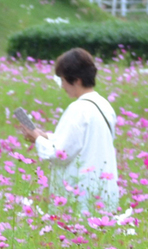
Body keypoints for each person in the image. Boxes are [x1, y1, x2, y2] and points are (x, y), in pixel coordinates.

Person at [18, 48, 119, 215]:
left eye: (64, 80)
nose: (63, 86)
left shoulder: (79, 109)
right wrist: (46, 136)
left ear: (77, 80)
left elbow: (60, 153)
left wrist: (37, 138)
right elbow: (84, 141)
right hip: (103, 188)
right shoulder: (104, 105)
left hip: (81, 192)